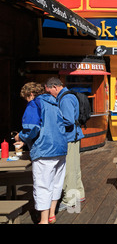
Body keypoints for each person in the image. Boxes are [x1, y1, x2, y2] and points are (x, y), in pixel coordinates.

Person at [14, 82, 67, 224]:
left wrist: (20, 137)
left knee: (43, 185)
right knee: (56, 183)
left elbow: (31, 128)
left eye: (26, 98)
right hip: (60, 149)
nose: (26, 101)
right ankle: (51, 214)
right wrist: (25, 142)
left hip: (45, 150)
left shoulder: (34, 104)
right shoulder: (54, 103)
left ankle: (43, 220)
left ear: (30, 94)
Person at [45, 77, 85, 212]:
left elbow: (68, 120)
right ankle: (78, 194)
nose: (50, 94)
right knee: (74, 168)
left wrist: (53, 122)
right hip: (73, 136)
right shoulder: (66, 96)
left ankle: (70, 201)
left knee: (69, 170)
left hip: (69, 138)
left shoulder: (66, 99)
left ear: (55, 87)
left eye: (49, 91)